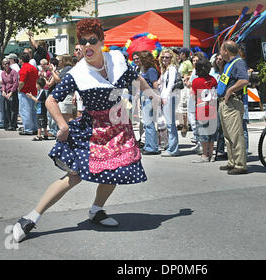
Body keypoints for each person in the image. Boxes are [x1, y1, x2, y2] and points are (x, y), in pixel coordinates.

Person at [12, 18, 160, 242]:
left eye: (92, 40)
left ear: (102, 40)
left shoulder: (117, 59)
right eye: (83, 41)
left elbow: (136, 78)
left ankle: (96, 210)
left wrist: (153, 96)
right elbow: (51, 100)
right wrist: (62, 125)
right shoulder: (77, 73)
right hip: (91, 130)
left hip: (119, 128)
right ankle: (30, 218)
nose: (87, 45)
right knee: (74, 177)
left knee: (115, 170)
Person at [217, 40, 249, 175]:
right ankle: (232, 161)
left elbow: (244, 80)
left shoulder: (239, 62)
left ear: (226, 51)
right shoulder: (228, 64)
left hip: (232, 103)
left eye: (221, 50)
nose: (219, 53)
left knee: (235, 134)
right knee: (228, 135)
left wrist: (230, 91)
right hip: (224, 102)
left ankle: (240, 165)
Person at [191, 57, 218, 163]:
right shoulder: (213, 80)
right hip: (212, 108)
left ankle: (204, 155)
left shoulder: (196, 81)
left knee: (203, 133)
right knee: (211, 133)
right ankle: (211, 154)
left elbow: (194, 96)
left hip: (201, 109)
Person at [158, 48, 181, 157]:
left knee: (170, 124)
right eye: (163, 57)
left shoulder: (172, 68)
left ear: (171, 58)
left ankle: (173, 149)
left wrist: (165, 97)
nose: (164, 59)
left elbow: (171, 84)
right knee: (168, 123)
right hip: (166, 97)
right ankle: (172, 147)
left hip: (169, 97)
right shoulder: (166, 69)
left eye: (167, 57)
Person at [139, 51, 160, 155]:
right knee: (147, 123)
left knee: (148, 123)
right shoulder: (145, 70)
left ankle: (152, 147)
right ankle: (149, 145)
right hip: (144, 97)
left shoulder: (151, 70)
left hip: (149, 97)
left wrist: (156, 98)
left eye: (140, 59)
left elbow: (155, 84)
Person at [18, 52, 39, 135]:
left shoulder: (23, 68)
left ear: (21, 60)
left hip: (25, 92)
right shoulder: (33, 68)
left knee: (25, 111)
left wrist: (18, 89)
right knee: (33, 111)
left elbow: (22, 82)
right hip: (33, 91)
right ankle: (34, 127)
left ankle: (28, 129)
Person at [178, 47, 193, 137]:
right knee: (181, 105)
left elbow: (191, 73)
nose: (179, 55)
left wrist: (186, 77)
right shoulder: (182, 63)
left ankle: (185, 124)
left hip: (185, 86)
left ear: (184, 54)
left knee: (185, 104)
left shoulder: (188, 63)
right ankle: (183, 123)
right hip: (181, 85)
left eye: (180, 53)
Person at [1, 58, 19, 131]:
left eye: (8, 63)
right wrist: (3, 91)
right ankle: (8, 124)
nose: (7, 65)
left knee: (13, 110)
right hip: (6, 92)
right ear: (3, 65)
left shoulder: (13, 72)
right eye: (5, 64)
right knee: (6, 109)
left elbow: (15, 82)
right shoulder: (2, 73)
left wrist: (11, 92)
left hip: (13, 92)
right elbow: (3, 83)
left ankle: (13, 125)